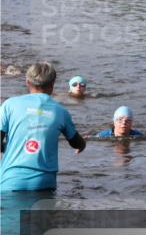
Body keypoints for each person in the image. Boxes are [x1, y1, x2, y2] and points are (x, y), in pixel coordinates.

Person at [1, 62, 86, 192]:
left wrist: (8, 147)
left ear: (27, 82)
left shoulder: (9, 105)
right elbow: (76, 142)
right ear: (53, 84)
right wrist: (82, 145)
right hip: (44, 184)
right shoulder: (61, 112)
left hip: (11, 182)